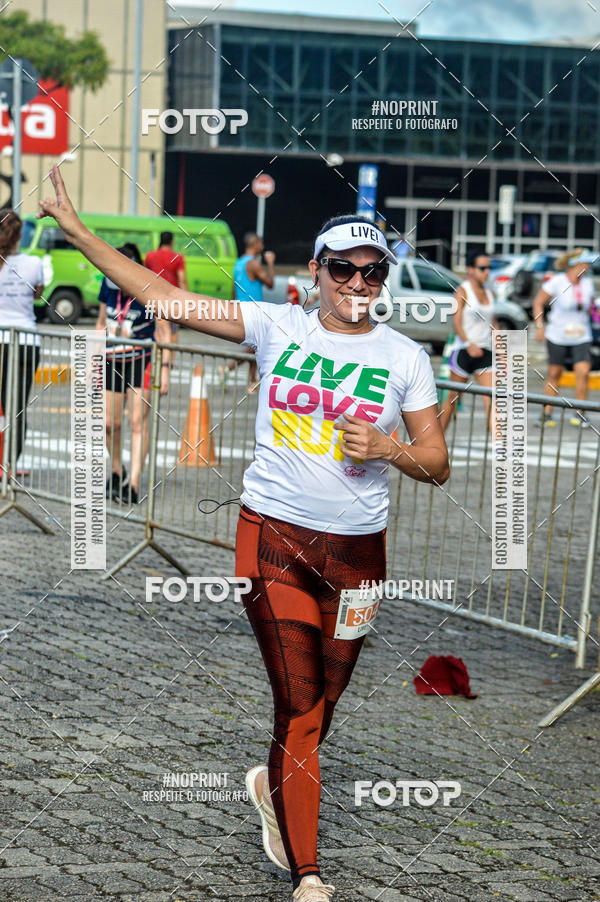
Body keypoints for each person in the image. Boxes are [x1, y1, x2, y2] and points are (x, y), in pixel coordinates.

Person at [38, 166, 450, 902]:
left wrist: (388, 449)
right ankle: (310, 875)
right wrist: (76, 232)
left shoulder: (406, 357)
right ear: (316, 272)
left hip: (360, 556)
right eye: (344, 269)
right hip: (274, 538)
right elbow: (164, 298)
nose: (359, 282)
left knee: (322, 707)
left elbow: (437, 463)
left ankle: (271, 786)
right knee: (297, 706)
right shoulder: (275, 324)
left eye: (373, 270)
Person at [95, 244, 171, 504]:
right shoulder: (108, 286)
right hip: (111, 359)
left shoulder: (148, 287)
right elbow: (101, 321)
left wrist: (165, 369)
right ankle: (116, 471)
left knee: (137, 422)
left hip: (142, 359)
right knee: (109, 423)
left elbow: (163, 329)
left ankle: (135, 483)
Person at [0, 209, 44, 475]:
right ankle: (8, 466)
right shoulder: (34, 263)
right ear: (20, 236)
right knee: (17, 408)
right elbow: (38, 295)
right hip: (25, 341)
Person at [533, 249, 596, 428]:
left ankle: (580, 413)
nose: (588, 267)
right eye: (585, 263)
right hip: (558, 335)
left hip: (581, 335)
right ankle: (547, 413)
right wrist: (539, 326)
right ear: (575, 264)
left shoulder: (588, 284)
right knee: (555, 374)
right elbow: (538, 302)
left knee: (583, 372)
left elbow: (591, 308)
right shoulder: (557, 281)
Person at [439, 251, 498, 432]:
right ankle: (435, 442)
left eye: (489, 268)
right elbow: (456, 322)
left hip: (485, 352)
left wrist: (502, 348)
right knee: (452, 399)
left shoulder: (491, 293)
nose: (486, 272)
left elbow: (493, 322)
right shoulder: (462, 291)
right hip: (464, 351)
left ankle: (501, 451)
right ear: (471, 269)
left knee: (494, 400)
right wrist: (468, 343)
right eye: (482, 268)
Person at [221, 232, 275, 388]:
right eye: (261, 243)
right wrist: (270, 263)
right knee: (259, 345)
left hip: (242, 309)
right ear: (255, 243)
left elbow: (233, 288)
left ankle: (252, 381)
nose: (263, 247)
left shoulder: (239, 263)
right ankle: (228, 368)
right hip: (254, 310)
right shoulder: (253, 264)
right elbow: (270, 283)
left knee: (255, 345)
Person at [145, 231, 187, 348]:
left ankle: (157, 358)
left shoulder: (150, 256)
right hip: (172, 299)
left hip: (153, 298)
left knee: (157, 329)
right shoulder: (178, 258)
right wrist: (186, 299)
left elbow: (145, 276)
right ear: (172, 242)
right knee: (172, 331)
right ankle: (170, 362)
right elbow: (182, 280)